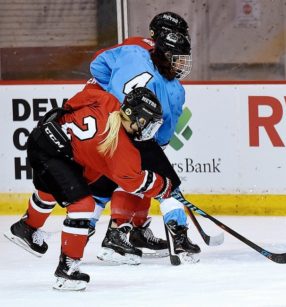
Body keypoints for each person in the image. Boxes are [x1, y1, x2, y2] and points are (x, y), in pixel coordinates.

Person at [4, 87, 197, 290]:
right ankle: (67, 270)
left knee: (51, 189)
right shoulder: (122, 148)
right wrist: (164, 185)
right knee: (83, 205)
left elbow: (76, 100)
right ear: (135, 115)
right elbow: (134, 182)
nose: (149, 130)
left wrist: (61, 117)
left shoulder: (104, 99)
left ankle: (25, 228)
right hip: (53, 154)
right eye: (147, 124)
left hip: (43, 139)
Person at [88, 19, 194, 263]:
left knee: (104, 184)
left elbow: (97, 65)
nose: (181, 63)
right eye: (178, 57)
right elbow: (165, 132)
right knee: (162, 182)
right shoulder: (173, 88)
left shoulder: (133, 50)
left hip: (108, 125)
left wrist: (113, 97)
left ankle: (83, 235)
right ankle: (166, 238)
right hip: (136, 135)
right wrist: (158, 151)